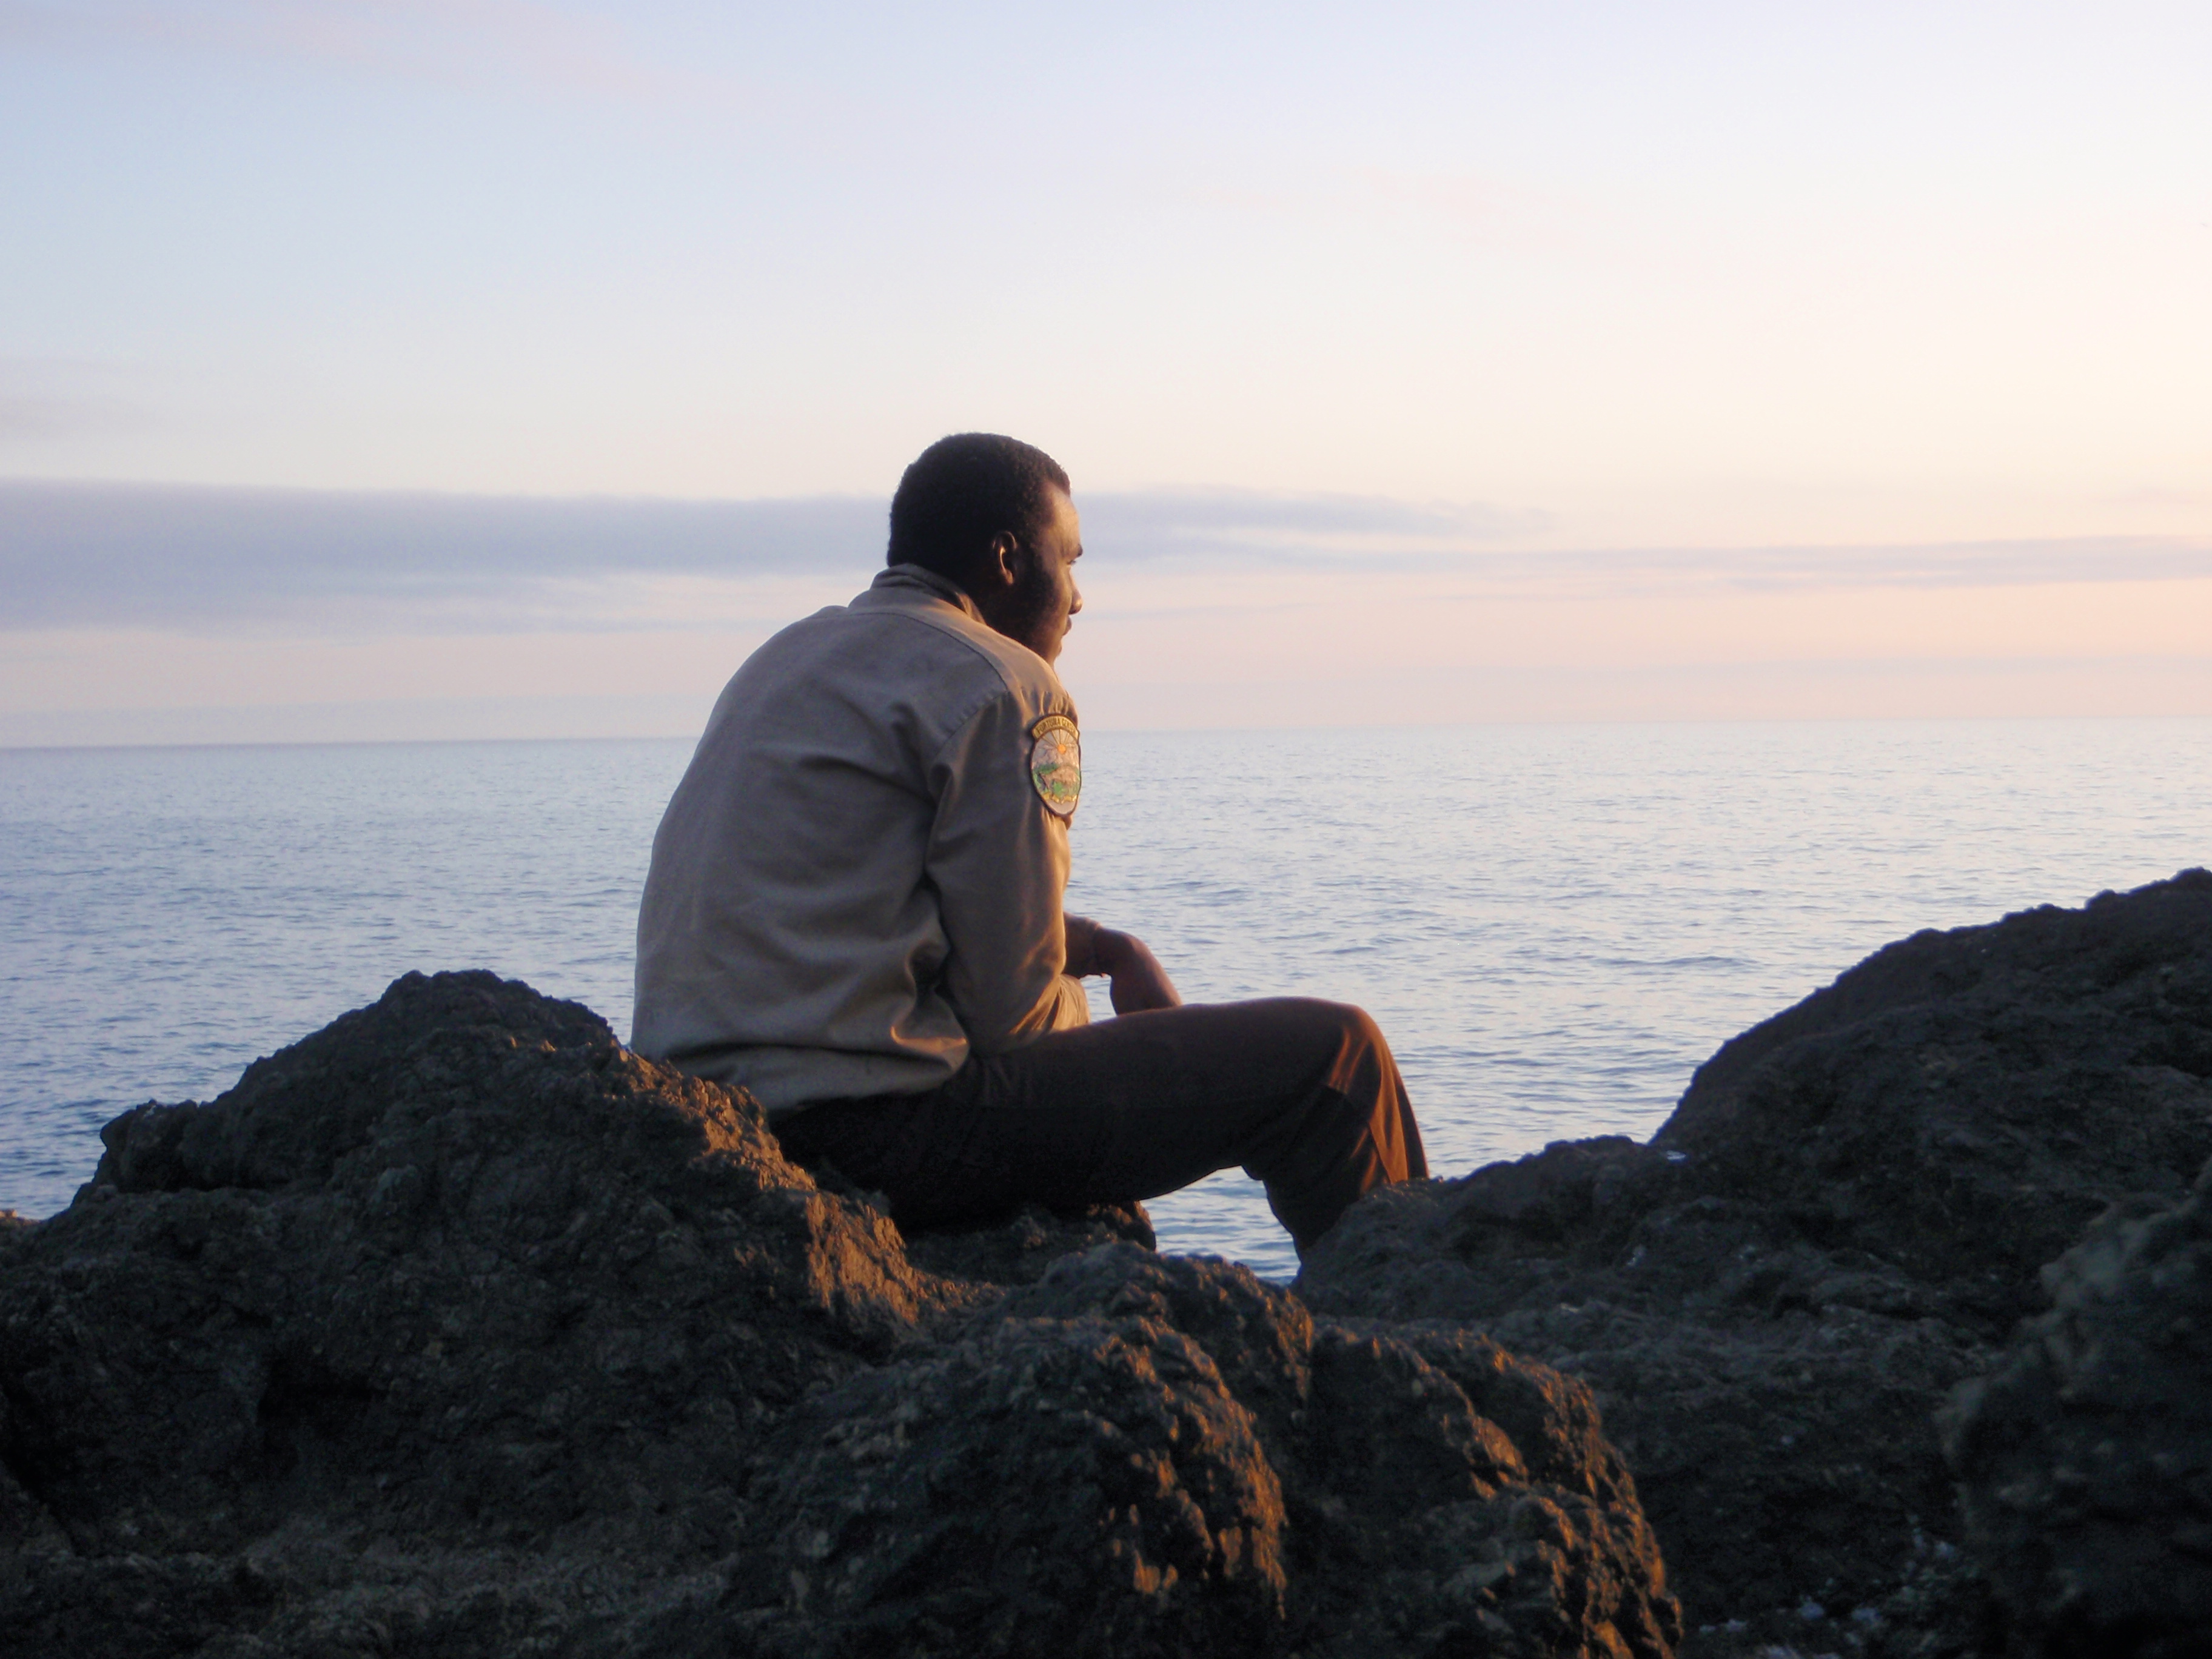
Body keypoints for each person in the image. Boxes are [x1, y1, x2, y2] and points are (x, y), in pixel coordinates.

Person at [631, 433, 1425, 1253]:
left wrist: (1097, 946)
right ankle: (1411, 1344)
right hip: (871, 1138)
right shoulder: (1005, 685)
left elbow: (866, 905)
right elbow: (1012, 1018)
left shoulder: (786, 658)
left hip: (708, 1120)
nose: (1079, 598)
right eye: (1071, 561)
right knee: (1336, 1060)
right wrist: (1119, 1032)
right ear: (1008, 559)